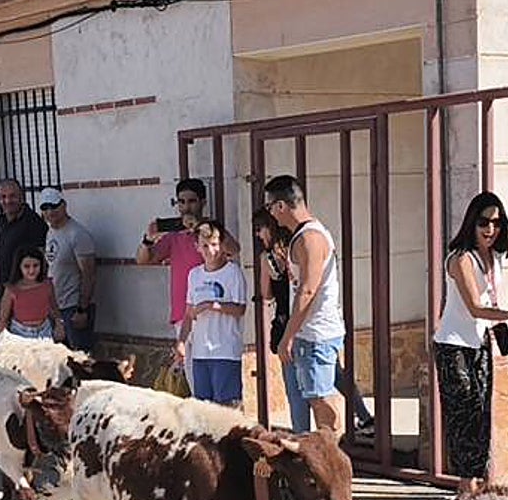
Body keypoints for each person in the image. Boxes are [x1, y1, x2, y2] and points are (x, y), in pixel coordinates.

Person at [432, 191, 508, 497]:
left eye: (497, 223)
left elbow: (488, 303)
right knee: (463, 414)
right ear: (471, 224)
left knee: (482, 413)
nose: (491, 229)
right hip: (453, 345)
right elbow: (475, 307)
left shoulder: (496, 257)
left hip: (480, 343)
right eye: (484, 222)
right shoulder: (461, 258)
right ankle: (466, 487)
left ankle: (480, 483)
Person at [252, 207, 375, 437]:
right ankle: (363, 415)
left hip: (293, 323)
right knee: (333, 377)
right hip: (318, 326)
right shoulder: (299, 245)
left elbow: (267, 294)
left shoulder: (273, 256)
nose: (258, 235)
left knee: (300, 390)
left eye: (260, 229)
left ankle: (304, 437)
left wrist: (266, 269)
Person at [265, 175, 349, 433]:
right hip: (313, 333)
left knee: (320, 398)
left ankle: (331, 459)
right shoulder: (304, 235)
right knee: (315, 396)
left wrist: (288, 336)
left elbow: (308, 290)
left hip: (316, 335)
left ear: (281, 205)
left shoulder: (309, 238)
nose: (270, 214)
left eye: (269, 207)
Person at [137, 179, 239, 389]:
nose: (186, 207)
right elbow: (143, 260)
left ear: (202, 202)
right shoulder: (173, 235)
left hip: (213, 315)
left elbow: (234, 249)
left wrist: (201, 228)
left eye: (191, 201)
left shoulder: (211, 231)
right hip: (183, 315)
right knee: (194, 380)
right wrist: (148, 239)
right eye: (181, 202)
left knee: (215, 378)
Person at [177, 220, 248, 406]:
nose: (211, 251)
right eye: (205, 246)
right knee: (203, 407)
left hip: (225, 350)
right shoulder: (194, 275)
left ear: (222, 245)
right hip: (201, 352)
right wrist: (182, 342)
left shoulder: (233, 272)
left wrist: (213, 305)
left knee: (226, 406)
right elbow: (188, 313)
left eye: (215, 245)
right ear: (197, 247)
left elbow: (240, 309)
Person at [40, 187, 97, 352]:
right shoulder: (50, 231)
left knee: (80, 358)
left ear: (64, 205)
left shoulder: (77, 234)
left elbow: (89, 274)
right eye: (45, 208)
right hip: (56, 307)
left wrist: (82, 309)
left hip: (74, 307)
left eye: (54, 206)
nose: (50, 211)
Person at [0, 179, 47, 316]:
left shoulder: (34, 222)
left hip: (26, 294)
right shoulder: (2, 220)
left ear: (21, 197)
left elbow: (43, 260)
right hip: (4, 291)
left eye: (12, 196)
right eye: (3, 197)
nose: (7, 201)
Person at [0, 245, 65, 341]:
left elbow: (54, 308)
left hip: (44, 332)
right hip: (19, 333)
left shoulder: (47, 285)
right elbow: (3, 319)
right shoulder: (12, 289)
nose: (31, 270)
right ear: (19, 267)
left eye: (35, 265)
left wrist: (59, 324)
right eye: (26, 266)